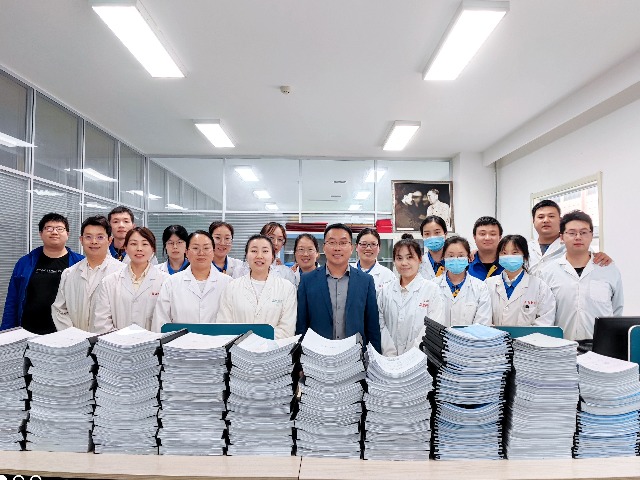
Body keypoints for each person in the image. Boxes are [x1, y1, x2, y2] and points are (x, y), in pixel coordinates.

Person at [540, 210, 623, 344]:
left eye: (584, 232)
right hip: (562, 345)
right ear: (562, 237)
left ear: (591, 235)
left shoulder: (609, 269)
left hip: (601, 345)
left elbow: (617, 309)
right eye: (572, 233)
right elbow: (545, 313)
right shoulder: (548, 272)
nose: (578, 237)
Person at [296, 223, 381, 352]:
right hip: (317, 357)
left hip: (354, 358)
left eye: (343, 243)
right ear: (324, 247)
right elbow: (301, 326)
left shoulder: (366, 281)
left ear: (351, 248)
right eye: (332, 242)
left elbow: (373, 327)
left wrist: (375, 358)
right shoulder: (307, 280)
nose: (337, 248)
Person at [1, 213, 84, 333]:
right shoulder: (25, 262)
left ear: (67, 234)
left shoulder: (80, 263)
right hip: (27, 331)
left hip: (66, 332)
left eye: (60, 229)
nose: (54, 232)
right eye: (49, 228)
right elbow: (12, 300)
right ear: (41, 234)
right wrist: (6, 332)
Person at [52, 216, 124, 332]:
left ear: (109, 240)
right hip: (75, 340)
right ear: (81, 240)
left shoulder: (122, 273)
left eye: (100, 237)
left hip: (110, 341)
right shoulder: (69, 273)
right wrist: (73, 335)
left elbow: (126, 313)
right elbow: (59, 310)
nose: (94, 241)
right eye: (88, 237)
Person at [217, 235, 296, 339]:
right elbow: (224, 326)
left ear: (272, 256)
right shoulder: (231, 287)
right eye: (254, 251)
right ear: (246, 255)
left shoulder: (287, 288)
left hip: (274, 348)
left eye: (265, 251)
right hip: (238, 347)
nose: (259, 256)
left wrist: (257, 341)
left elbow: (287, 330)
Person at [378, 234, 445, 356]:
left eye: (410, 257)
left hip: (420, 358)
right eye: (399, 258)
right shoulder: (386, 291)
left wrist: (412, 355)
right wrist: (390, 354)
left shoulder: (431, 290)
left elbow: (432, 328)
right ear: (394, 261)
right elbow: (381, 326)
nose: (404, 263)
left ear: (419, 259)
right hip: (389, 358)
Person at [152, 230, 232, 332]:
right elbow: (160, 322)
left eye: (206, 248)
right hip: (179, 342)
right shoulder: (171, 283)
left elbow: (233, 322)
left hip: (219, 341)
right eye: (195, 248)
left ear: (213, 252)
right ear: (187, 253)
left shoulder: (228, 283)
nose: (201, 253)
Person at [94, 227, 167, 333]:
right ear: (126, 248)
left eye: (145, 244)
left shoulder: (166, 281)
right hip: (117, 342)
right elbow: (102, 322)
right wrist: (121, 340)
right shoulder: (109, 282)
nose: (139, 248)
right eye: (133, 244)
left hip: (154, 342)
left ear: (153, 249)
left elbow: (167, 320)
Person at [485, 234, 555, 327]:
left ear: (524, 256)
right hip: (494, 336)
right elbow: (483, 318)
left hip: (530, 337)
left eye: (515, 252)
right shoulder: (488, 285)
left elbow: (545, 322)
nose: (509, 257)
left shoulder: (540, 287)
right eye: (504, 253)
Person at [528, 199, 611, 275]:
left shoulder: (575, 244)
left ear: (560, 220)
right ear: (533, 221)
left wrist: (602, 257)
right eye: (541, 217)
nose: (546, 220)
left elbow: (594, 262)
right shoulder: (526, 248)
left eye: (551, 216)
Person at [433, 236, 492, 326]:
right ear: (443, 258)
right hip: (438, 335)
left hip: (471, 335)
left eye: (461, 256)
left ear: (468, 258)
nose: (456, 259)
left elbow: (482, 324)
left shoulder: (480, 287)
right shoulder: (432, 286)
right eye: (451, 256)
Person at [350, 228, 395, 294]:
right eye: (364, 244)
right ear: (356, 247)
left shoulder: (388, 276)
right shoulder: (347, 272)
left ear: (379, 248)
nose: (368, 248)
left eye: (373, 244)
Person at [468, 216, 504, 280]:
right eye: (482, 234)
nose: (487, 238)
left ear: (500, 237)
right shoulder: (466, 264)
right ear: (474, 237)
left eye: (492, 234)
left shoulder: (507, 263)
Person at [418, 215, 447, 280]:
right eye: (427, 234)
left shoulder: (454, 262)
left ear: (445, 234)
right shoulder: (418, 265)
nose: (432, 237)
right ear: (422, 237)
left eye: (437, 232)